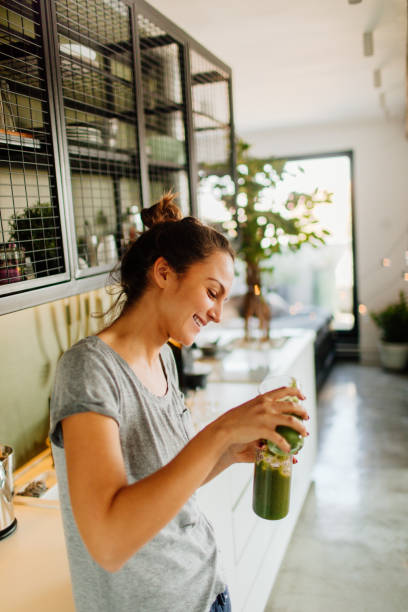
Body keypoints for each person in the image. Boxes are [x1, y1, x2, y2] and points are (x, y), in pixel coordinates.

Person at [49, 192, 309, 612]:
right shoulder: (88, 368)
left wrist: (227, 454)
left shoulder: (165, 357)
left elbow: (165, 480)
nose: (218, 313)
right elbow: (109, 543)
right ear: (164, 273)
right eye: (212, 292)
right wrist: (222, 431)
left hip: (207, 591)